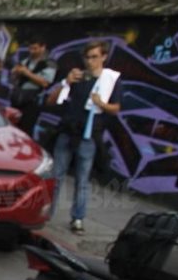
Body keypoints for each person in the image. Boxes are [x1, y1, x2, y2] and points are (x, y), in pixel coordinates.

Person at [45, 39, 121, 234]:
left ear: (104, 57)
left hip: (88, 135)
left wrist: (101, 103)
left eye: (94, 57)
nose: (90, 61)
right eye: (87, 57)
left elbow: (116, 109)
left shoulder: (110, 80)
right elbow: (51, 101)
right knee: (57, 175)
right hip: (68, 131)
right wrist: (66, 83)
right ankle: (47, 212)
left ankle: (77, 218)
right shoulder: (78, 76)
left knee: (82, 179)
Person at [9, 38, 55, 139]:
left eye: (35, 48)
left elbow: (44, 82)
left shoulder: (49, 64)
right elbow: (13, 80)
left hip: (32, 101)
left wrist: (27, 73)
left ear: (43, 48)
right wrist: (15, 73)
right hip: (18, 98)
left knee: (26, 130)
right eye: (30, 48)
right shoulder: (25, 61)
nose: (32, 51)